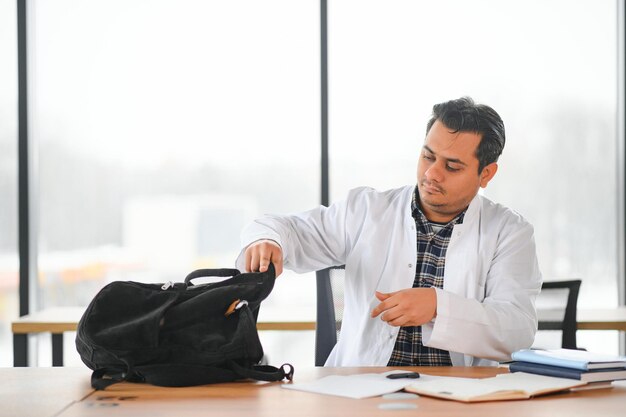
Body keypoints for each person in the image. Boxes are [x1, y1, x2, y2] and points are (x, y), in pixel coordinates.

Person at [236, 97, 542, 367]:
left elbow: (517, 329)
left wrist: (438, 307)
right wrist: (269, 240)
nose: (432, 173)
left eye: (452, 166)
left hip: (458, 397)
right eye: (428, 156)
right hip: (361, 392)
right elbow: (289, 229)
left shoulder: (509, 232)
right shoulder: (367, 209)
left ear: (485, 173)